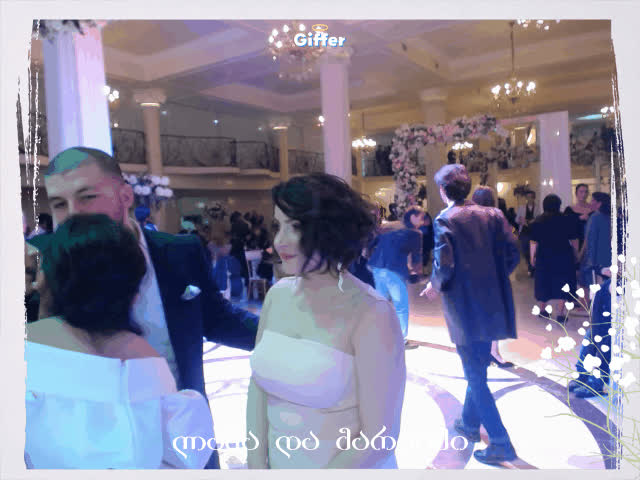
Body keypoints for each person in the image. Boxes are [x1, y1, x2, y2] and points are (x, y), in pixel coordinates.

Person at [33, 146, 258, 469]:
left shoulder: (180, 251)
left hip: (180, 432)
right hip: (79, 447)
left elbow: (217, 318)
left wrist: (287, 338)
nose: (73, 214)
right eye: (59, 204)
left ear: (125, 196)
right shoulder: (41, 260)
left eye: (87, 197)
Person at [25, 214, 214, 468]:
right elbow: (180, 458)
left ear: (49, 277)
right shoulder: (150, 363)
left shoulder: (25, 350)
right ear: (134, 291)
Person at [247, 173, 406, 469]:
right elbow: (258, 387)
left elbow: (380, 436)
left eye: (296, 227)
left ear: (330, 230)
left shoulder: (372, 313)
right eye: (278, 226)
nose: (280, 241)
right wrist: (255, 463)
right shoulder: (276, 296)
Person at [420, 164, 520, 465]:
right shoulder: (495, 214)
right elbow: (513, 253)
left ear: (442, 190)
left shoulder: (445, 218)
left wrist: (434, 285)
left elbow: (444, 264)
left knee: (475, 375)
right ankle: (468, 423)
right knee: (478, 364)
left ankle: (500, 442)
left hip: (464, 304)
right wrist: (494, 277)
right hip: (493, 299)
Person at [471, 186, 516, 369]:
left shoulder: (468, 218)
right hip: (494, 273)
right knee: (494, 313)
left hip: (473, 274)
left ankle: (481, 352)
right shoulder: (497, 216)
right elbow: (511, 246)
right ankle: (493, 352)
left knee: (477, 313)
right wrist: (505, 270)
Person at [368, 205, 423, 346]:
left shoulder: (392, 227)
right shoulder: (415, 234)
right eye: (421, 218)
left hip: (377, 266)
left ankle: (379, 336)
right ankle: (401, 339)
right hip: (394, 269)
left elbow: (373, 242)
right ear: (413, 217)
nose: (422, 221)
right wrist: (416, 272)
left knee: (381, 303)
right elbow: (416, 257)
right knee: (401, 305)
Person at [529, 194, 579, 324]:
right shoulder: (567, 220)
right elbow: (574, 239)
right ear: (559, 205)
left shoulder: (537, 221)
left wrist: (532, 257)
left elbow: (533, 242)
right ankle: (560, 314)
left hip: (544, 256)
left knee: (543, 281)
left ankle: (543, 310)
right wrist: (576, 254)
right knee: (563, 282)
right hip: (563, 255)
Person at [581, 192, 612, 286]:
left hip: (597, 261)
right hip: (609, 258)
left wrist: (589, 262)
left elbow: (591, 241)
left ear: (599, 203)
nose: (590, 202)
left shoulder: (595, 217)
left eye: (593, 200)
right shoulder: (610, 217)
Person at [564, 183, 594, 252]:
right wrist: (579, 218)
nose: (584, 194)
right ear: (576, 193)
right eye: (581, 192)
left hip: (590, 241)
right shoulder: (569, 209)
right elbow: (565, 225)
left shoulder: (593, 209)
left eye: (586, 192)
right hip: (575, 243)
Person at [515, 190, 537, 276]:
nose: (529, 199)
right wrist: (521, 221)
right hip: (524, 232)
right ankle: (529, 265)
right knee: (525, 251)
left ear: (533, 198)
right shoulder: (522, 208)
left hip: (534, 233)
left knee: (533, 251)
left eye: (530, 197)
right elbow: (516, 219)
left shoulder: (538, 208)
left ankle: (532, 268)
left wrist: (535, 220)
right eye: (527, 197)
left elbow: (540, 219)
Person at [418, 212, 434, 276]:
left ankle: (425, 271)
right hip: (421, 243)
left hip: (427, 243)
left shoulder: (430, 228)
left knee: (426, 257)